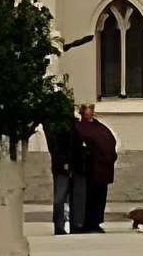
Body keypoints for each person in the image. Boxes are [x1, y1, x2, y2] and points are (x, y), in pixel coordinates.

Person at [44, 102, 87, 235]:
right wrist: (65, 162)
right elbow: (59, 147)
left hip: (67, 165)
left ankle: (63, 225)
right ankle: (66, 225)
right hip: (66, 165)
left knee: (64, 197)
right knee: (62, 197)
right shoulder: (63, 126)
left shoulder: (67, 125)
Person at [75, 101, 117, 235]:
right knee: (90, 197)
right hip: (90, 168)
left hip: (102, 168)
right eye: (86, 110)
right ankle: (88, 223)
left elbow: (110, 141)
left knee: (100, 197)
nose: (89, 112)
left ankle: (96, 222)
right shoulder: (79, 127)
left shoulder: (100, 127)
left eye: (90, 109)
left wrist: (110, 156)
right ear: (82, 112)